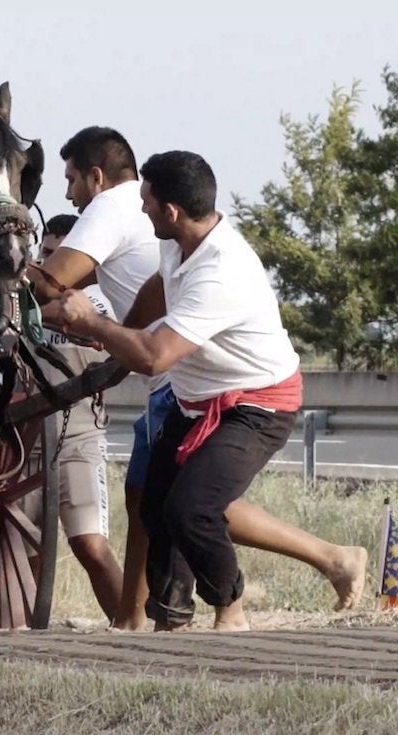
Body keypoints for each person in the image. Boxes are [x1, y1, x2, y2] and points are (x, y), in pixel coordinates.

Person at [52, 150, 366, 631]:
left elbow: (155, 356)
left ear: (171, 210)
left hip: (256, 406)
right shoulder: (178, 242)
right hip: (194, 400)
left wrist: (93, 320)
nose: (141, 211)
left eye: (146, 202)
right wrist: (111, 331)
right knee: (154, 504)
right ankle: (172, 618)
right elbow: (158, 288)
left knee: (194, 508)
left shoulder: (222, 270)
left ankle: (231, 611)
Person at [28, 126, 161, 629]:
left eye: (71, 179)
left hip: (176, 381)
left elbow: (49, 283)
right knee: (145, 495)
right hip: (166, 380)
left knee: (189, 503)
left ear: (96, 177)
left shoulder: (109, 208)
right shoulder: (140, 215)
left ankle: (331, 560)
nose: (68, 194)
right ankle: (134, 621)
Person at [30, 214, 123, 620]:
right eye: (43, 254)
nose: (47, 265)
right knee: (19, 550)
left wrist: (16, 306)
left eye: (58, 256)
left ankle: (130, 624)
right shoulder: (23, 303)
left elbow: (64, 316)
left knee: (90, 545)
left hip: (78, 437)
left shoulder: (102, 303)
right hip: (21, 443)